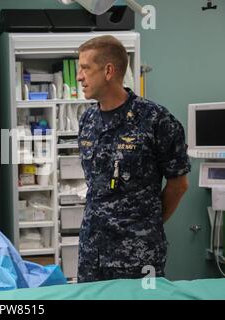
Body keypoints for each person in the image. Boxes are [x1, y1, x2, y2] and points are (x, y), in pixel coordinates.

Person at [76, 35, 191, 282]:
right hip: (92, 251)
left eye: (85, 68)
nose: (79, 77)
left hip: (137, 256)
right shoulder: (87, 121)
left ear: (108, 71)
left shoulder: (155, 120)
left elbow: (178, 185)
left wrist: (146, 226)